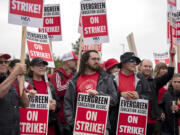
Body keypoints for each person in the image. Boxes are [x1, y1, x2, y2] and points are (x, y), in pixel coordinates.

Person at [64, 50, 118, 135]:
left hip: (100, 126)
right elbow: (68, 103)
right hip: (80, 127)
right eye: (93, 59)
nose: (97, 61)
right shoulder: (74, 80)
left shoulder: (106, 79)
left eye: (98, 59)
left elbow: (114, 100)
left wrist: (99, 94)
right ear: (85, 61)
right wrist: (72, 122)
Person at [111, 52, 150, 135]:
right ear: (124, 63)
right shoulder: (112, 77)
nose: (135, 63)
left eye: (136, 61)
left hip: (135, 122)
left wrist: (139, 96)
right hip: (115, 120)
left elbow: (149, 96)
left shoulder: (140, 77)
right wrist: (120, 94)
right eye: (132, 60)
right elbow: (107, 96)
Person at [139, 48, 175, 135]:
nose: (148, 68)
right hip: (137, 119)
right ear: (140, 67)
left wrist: (172, 56)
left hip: (152, 121)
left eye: (150, 67)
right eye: (145, 66)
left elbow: (169, 74)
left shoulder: (155, 82)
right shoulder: (134, 79)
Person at [27, 57, 60, 135]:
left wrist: (55, 105)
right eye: (38, 65)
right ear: (31, 68)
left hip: (50, 125)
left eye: (44, 65)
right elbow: (23, 106)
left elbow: (58, 105)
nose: (42, 67)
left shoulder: (49, 85)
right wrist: (46, 107)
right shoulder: (27, 84)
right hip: (34, 127)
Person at [0, 53, 29, 135]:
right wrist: (14, 73)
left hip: (14, 130)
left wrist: (21, 85)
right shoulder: (10, 80)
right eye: (0, 62)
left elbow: (26, 104)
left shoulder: (10, 82)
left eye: (6, 62)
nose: (4, 64)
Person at [50, 51, 77, 135]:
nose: (76, 62)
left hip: (73, 117)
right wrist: (72, 83)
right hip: (61, 118)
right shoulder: (57, 74)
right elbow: (58, 90)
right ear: (67, 61)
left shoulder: (74, 75)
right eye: (74, 60)